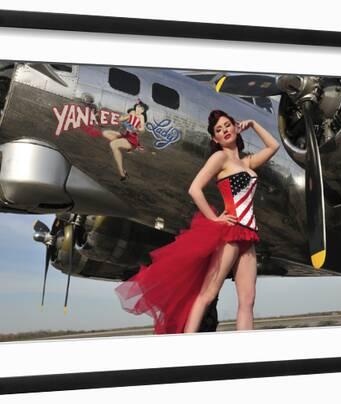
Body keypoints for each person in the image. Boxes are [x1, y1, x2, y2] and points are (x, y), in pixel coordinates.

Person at [114, 110, 280, 334]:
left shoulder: (247, 162)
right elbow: (194, 189)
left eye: (227, 125)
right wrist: (215, 219)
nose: (224, 131)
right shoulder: (219, 158)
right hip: (230, 232)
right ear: (215, 139)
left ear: (235, 127)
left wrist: (253, 123)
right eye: (219, 130)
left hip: (248, 235)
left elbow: (273, 146)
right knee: (207, 295)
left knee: (248, 301)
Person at [101, 100, 148, 181]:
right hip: (125, 135)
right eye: (138, 107)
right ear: (136, 107)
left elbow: (142, 129)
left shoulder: (141, 117)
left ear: (143, 111)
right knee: (106, 133)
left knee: (113, 144)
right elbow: (120, 119)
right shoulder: (132, 113)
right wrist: (128, 116)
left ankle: (122, 172)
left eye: (141, 109)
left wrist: (137, 129)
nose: (139, 109)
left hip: (132, 139)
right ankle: (121, 146)